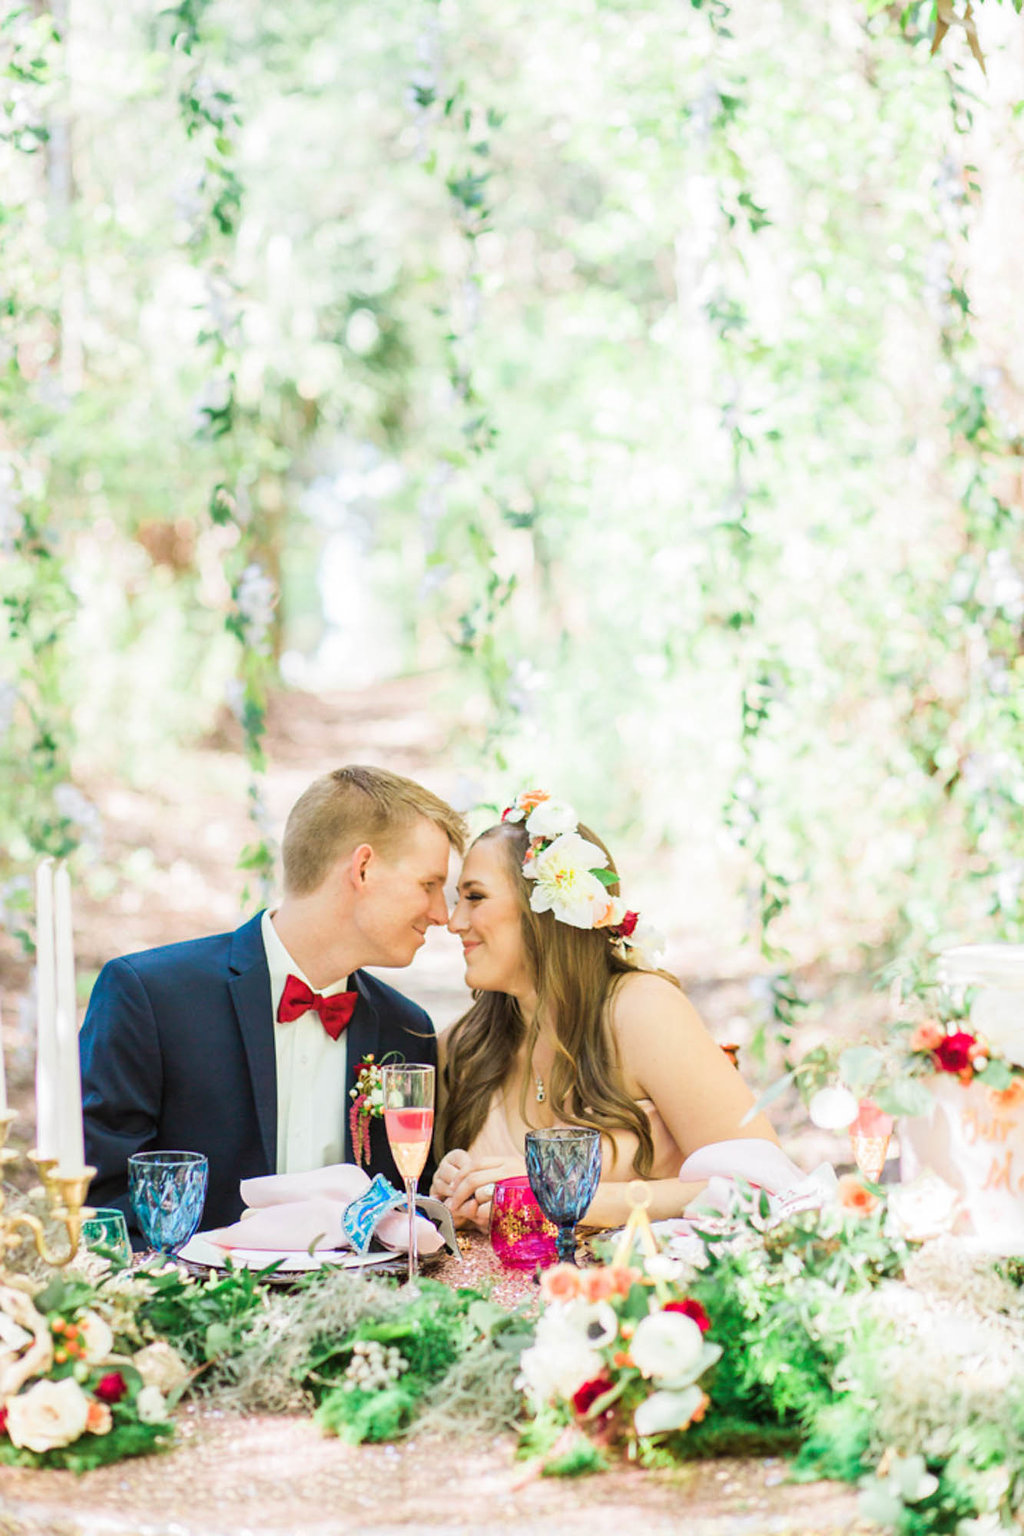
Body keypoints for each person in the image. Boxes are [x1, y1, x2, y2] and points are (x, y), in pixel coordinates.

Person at [80, 765, 466, 1233]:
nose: (442, 915)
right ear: (362, 868)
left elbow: (407, 1209)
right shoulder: (151, 998)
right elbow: (100, 1200)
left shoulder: (404, 1030)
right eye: (429, 885)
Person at [431, 790, 777, 1231]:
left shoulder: (641, 1012)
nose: (454, 921)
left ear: (545, 908)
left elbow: (763, 1185)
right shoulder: (463, 1047)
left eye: (474, 897)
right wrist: (458, 1192)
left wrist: (566, 1196)